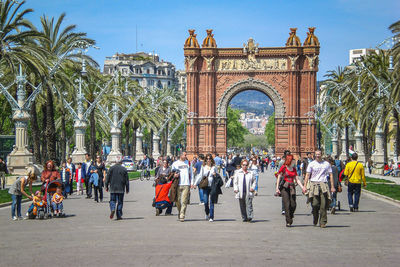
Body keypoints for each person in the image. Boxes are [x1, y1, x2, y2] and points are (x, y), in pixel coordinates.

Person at [304, 150, 336, 228]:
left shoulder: (326, 164)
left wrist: (332, 187)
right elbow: (307, 175)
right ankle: (315, 218)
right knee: (314, 204)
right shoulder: (311, 164)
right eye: (316, 154)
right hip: (314, 185)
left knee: (323, 205)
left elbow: (331, 175)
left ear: (322, 155)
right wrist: (304, 186)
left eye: (319, 154)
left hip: (323, 185)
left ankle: (323, 222)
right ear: (314, 155)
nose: (318, 156)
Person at [275, 154, 305, 227]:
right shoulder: (284, 167)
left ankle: (291, 215)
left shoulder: (294, 169)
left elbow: (297, 179)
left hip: (292, 186)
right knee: (287, 204)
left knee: (293, 204)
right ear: (289, 160)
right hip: (284, 187)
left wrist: (303, 187)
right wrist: (277, 188)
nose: (294, 161)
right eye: (293, 160)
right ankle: (288, 221)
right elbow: (279, 176)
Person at [194, 154, 223, 222]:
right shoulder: (203, 167)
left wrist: (215, 175)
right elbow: (200, 176)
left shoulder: (214, 167)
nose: (208, 160)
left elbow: (217, 175)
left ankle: (211, 217)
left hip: (212, 185)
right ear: (205, 160)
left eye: (209, 158)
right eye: (207, 159)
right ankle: (207, 213)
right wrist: (195, 184)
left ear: (211, 160)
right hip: (205, 185)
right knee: (206, 202)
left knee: (212, 202)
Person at [171, 152, 193, 222]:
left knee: (184, 201)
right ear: (180, 156)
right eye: (185, 155)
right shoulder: (175, 163)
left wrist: (192, 183)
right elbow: (171, 173)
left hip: (186, 184)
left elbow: (191, 173)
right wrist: (174, 175)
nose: (186, 156)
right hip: (177, 184)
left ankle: (182, 214)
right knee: (177, 200)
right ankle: (180, 211)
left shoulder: (188, 163)